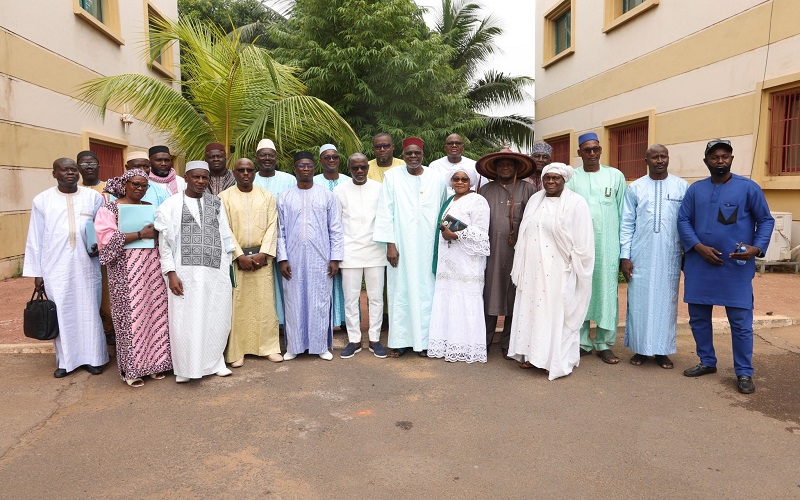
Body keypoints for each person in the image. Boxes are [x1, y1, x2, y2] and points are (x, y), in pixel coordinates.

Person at [678, 139, 774, 394]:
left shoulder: (748, 188)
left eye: (725, 156)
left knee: (741, 322)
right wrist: (698, 247)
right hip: (700, 264)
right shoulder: (695, 190)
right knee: (698, 318)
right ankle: (707, 361)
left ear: (731, 159)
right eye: (714, 157)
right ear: (706, 161)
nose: (720, 160)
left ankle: (744, 372)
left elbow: (765, 220)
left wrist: (757, 248)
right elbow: (683, 220)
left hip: (735, 265)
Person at [23, 158, 108, 378]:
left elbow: (102, 228)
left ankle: (94, 358)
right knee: (62, 312)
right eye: (64, 170)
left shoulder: (92, 198)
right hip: (55, 267)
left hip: (87, 266)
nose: (70, 173)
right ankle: (66, 361)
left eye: (73, 169)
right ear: (54, 174)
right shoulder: (42, 200)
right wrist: (37, 273)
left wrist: (100, 245)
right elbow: (35, 237)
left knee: (90, 310)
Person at [508, 163, 594, 380]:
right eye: (547, 178)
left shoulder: (576, 203)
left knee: (555, 313)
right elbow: (526, 231)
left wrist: (575, 267)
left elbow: (583, 240)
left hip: (559, 270)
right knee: (532, 311)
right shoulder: (535, 200)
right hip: (533, 269)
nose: (551, 182)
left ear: (564, 180)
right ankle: (533, 355)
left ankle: (553, 360)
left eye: (556, 178)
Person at [154, 161, 236, 383]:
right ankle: (185, 368)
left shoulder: (216, 203)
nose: (200, 181)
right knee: (184, 320)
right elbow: (165, 245)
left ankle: (215, 362)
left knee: (216, 316)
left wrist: (226, 267)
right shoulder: (170, 205)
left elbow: (225, 236)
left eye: (204, 177)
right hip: (184, 274)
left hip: (215, 272)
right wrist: (171, 273)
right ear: (186, 177)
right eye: (196, 177)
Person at [94, 169, 172, 387]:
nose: (139, 188)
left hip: (152, 269)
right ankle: (132, 370)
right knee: (131, 318)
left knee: (155, 314)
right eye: (135, 184)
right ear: (125, 184)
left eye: (144, 185)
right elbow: (105, 240)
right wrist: (140, 234)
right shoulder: (110, 208)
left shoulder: (150, 208)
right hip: (124, 272)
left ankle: (156, 364)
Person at [374, 137, 447, 357]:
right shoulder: (392, 177)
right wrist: (390, 245)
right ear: (403, 155)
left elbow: (443, 209)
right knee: (400, 291)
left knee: (427, 292)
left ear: (423, 155)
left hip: (428, 247)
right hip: (401, 246)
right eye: (409, 153)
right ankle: (400, 341)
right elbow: (385, 211)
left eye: (417, 153)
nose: (413, 156)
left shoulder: (437, 178)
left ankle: (425, 342)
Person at [620, 145, 688, 370]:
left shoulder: (681, 187)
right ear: (646, 161)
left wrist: (686, 253)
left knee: (666, 303)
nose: (660, 160)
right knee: (639, 302)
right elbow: (627, 223)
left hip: (670, 255)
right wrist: (625, 256)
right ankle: (640, 348)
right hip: (641, 254)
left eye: (663, 156)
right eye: (655, 157)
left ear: (668, 158)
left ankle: (662, 350)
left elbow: (687, 222)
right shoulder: (635, 188)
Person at [277, 152, 344, 361]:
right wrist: (282, 258)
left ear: (314, 168)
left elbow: (336, 229)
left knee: (319, 301)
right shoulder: (284, 197)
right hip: (293, 259)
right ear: (294, 168)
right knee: (293, 301)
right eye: (301, 165)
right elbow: (280, 231)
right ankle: (294, 347)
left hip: (321, 259)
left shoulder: (327, 196)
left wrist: (335, 258)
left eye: (308, 165)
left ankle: (320, 346)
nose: (305, 169)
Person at [567, 132, 626, 364]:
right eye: (587, 150)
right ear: (579, 153)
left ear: (601, 150)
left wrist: (624, 250)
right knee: (580, 290)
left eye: (596, 149)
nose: (592, 153)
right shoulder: (572, 177)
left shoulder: (615, 176)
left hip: (607, 246)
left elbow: (623, 213)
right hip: (579, 246)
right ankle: (581, 342)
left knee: (607, 293)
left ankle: (604, 343)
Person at [219, 158, 282, 367]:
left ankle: (269, 347)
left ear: (254, 172)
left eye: (249, 170)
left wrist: (264, 254)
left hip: (262, 260)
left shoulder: (267, 196)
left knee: (265, 304)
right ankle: (238, 351)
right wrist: (239, 255)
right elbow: (224, 229)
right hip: (238, 261)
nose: (245, 173)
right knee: (238, 306)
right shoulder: (224, 197)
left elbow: (273, 225)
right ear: (234, 173)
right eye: (241, 170)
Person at [477, 148, 537, 357]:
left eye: (509, 164)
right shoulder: (485, 190)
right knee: (489, 294)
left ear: (516, 167)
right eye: (500, 164)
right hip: (491, 252)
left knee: (515, 295)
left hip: (519, 253)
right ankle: (484, 340)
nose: (504, 167)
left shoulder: (528, 190)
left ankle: (509, 343)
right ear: (494, 168)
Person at [428, 168, 491, 363]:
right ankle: (448, 344)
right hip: (448, 261)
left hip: (468, 262)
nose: (460, 182)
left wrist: (456, 234)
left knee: (465, 299)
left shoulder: (478, 200)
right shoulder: (450, 201)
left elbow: (482, 234)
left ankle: (467, 347)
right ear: (451, 181)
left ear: (471, 181)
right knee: (448, 299)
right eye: (456, 179)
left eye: (464, 179)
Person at [334, 153, 388, 358]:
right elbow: (335, 224)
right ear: (349, 169)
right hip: (349, 251)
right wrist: (336, 255)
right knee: (350, 298)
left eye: (363, 167)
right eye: (355, 167)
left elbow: (385, 218)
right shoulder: (340, 190)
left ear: (368, 168)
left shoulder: (379, 188)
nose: (359, 171)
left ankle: (374, 339)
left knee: (376, 298)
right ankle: (354, 340)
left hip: (376, 250)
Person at [252, 138, 297, 329]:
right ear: (256, 157)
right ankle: (266, 324)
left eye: (270, 155)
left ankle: (285, 323)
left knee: (286, 280)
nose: (267, 158)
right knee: (262, 284)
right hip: (257, 241)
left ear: (276, 157)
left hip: (285, 239)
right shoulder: (250, 178)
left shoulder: (289, 179)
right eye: (263, 155)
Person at [77, 150, 114, 344]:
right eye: (84, 164)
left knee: (106, 296)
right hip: (79, 252)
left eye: (92, 163)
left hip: (105, 250)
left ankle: (109, 332)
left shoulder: (110, 189)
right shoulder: (73, 190)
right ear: (78, 167)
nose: (89, 167)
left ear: (99, 166)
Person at [313, 144, 350, 329]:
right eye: (327, 157)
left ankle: (343, 320)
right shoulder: (313, 182)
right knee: (322, 281)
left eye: (334, 157)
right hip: (319, 240)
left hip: (346, 238)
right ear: (320, 161)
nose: (331, 160)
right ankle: (324, 321)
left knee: (345, 281)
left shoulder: (348, 181)